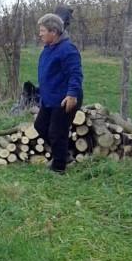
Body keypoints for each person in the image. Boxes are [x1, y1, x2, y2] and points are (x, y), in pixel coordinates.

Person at [33, 12, 83, 174]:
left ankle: (59, 167)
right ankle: (64, 155)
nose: (40, 34)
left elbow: (75, 74)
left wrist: (72, 95)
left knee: (57, 132)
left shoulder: (68, 49)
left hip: (65, 98)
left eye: (42, 30)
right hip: (50, 98)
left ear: (53, 32)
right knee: (40, 126)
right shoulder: (49, 48)